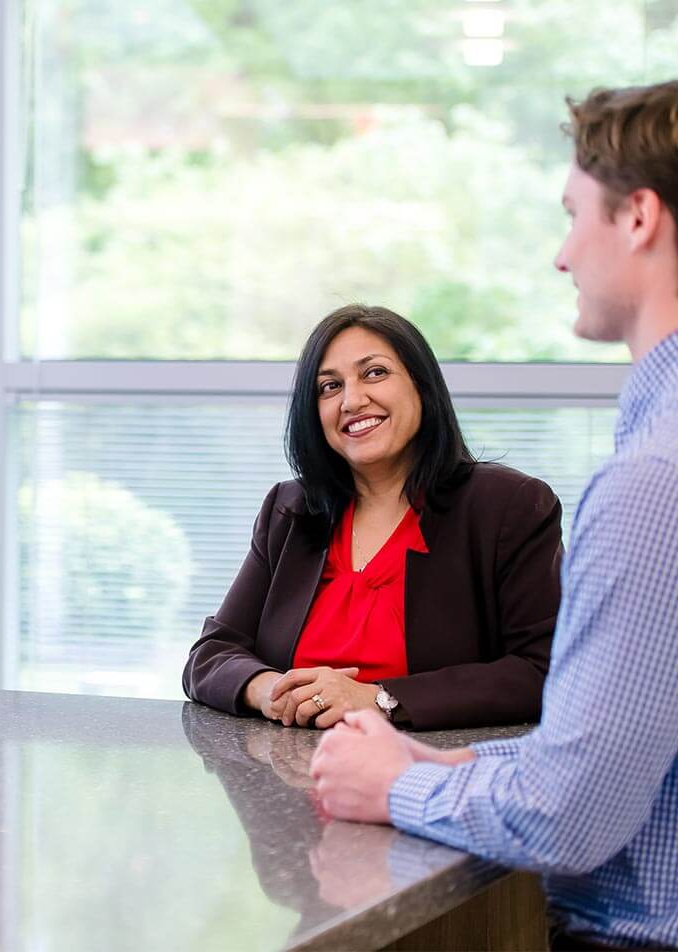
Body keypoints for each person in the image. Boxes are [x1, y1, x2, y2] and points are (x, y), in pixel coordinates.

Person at [310, 80, 678, 951]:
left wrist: (395, 787)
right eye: (330, 385)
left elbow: (571, 817)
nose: (561, 255)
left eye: (572, 214)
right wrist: (462, 765)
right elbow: (627, 744)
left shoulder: (648, 484)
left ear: (638, 218)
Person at [183, 305, 563, 730]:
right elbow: (211, 655)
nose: (352, 400)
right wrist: (272, 690)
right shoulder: (289, 509)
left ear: (422, 385)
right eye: (329, 386)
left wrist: (379, 699)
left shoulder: (508, 505)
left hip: (433, 781)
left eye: (375, 373)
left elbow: (544, 670)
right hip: (291, 778)